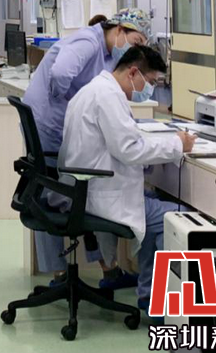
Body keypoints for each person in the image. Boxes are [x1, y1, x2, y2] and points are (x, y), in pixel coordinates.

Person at [21, 8, 151, 286]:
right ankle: (61, 274)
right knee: (59, 190)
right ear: (119, 30)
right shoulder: (89, 42)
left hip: (58, 129)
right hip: (49, 127)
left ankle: (108, 269)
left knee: (88, 189)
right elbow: (60, 74)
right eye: (136, 41)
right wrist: (75, 105)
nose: (135, 49)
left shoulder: (107, 54)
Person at [60, 45, 195, 309]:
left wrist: (166, 142)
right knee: (176, 216)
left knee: (155, 203)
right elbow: (129, 149)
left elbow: (124, 141)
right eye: (151, 81)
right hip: (102, 194)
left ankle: (148, 293)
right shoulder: (108, 96)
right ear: (133, 72)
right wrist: (178, 144)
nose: (151, 88)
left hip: (87, 188)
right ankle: (158, 301)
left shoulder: (95, 89)